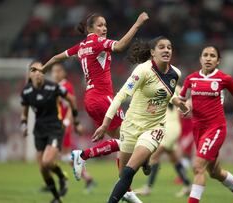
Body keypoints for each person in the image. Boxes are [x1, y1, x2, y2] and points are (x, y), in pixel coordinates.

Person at [38, 11, 149, 202]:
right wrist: (138, 23)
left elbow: (57, 57)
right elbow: (121, 46)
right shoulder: (97, 42)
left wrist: (43, 69)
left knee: (125, 142)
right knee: (129, 139)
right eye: (99, 25)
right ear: (90, 29)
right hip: (102, 98)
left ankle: (126, 190)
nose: (104, 28)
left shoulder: (81, 46)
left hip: (91, 100)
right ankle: (82, 155)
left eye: (105, 25)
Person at [92, 36, 189, 203]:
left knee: (129, 172)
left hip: (154, 127)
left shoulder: (176, 73)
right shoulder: (142, 71)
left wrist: (179, 104)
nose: (166, 50)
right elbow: (121, 96)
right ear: (152, 52)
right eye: (161, 47)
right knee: (123, 176)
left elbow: (168, 92)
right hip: (131, 126)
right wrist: (105, 124)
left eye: (169, 47)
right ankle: (144, 161)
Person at [177, 46, 233, 203]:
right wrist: (184, 107)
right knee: (214, 172)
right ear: (200, 59)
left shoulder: (224, 79)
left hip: (216, 128)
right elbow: (182, 100)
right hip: (198, 130)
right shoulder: (191, 79)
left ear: (218, 61)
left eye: (212, 56)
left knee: (198, 167)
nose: (208, 58)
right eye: (205, 55)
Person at [20, 60, 81, 203]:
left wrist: (75, 121)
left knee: (47, 162)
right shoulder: (27, 91)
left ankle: (61, 177)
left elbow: (71, 99)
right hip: (39, 131)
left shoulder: (53, 87)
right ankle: (57, 197)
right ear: (29, 74)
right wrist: (23, 125)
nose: (38, 74)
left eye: (41, 71)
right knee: (42, 167)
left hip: (55, 128)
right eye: (34, 70)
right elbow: (24, 112)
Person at [134, 87, 192, 197]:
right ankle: (188, 185)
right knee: (174, 158)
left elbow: (152, 108)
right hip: (174, 126)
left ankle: (148, 188)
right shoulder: (178, 88)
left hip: (168, 127)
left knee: (154, 157)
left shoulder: (161, 86)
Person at [50, 63, 95, 193]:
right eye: (53, 71)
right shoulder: (56, 87)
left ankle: (63, 181)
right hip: (56, 125)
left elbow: (71, 104)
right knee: (60, 156)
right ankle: (85, 177)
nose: (55, 74)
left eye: (58, 71)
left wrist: (67, 121)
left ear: (63, 73)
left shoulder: (66, 86)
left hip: (62, 126)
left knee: (58, 156)